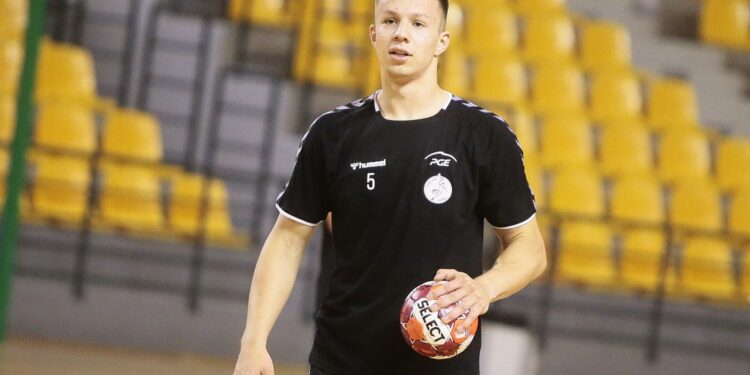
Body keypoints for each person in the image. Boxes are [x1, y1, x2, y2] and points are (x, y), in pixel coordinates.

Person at [234, 0, 547, 373]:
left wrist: (483, 289)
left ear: (441, 40)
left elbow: (530, 249)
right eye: (390, 21)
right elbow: (287, 238)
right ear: (374, 34)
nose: (401, 33)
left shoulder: (484, 136)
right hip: (343, 360)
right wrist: (253, 341)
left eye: (418, 24)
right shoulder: (332, 134)